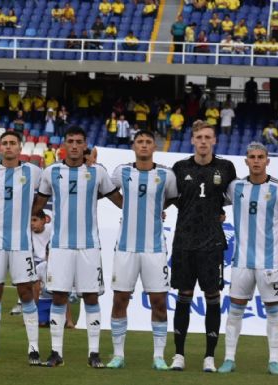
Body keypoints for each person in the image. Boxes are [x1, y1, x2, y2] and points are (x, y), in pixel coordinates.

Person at [32, 127, 122, 368]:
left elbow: (121, 201)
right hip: (60, 246)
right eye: (70, 141)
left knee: (91, 297)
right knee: (59, 296)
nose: (74, 145)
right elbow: (37, 205)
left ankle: (94, 353)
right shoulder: (51, 172)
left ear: (85, 146)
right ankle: (55, 353)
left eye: (79, 142)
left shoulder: (97, 172)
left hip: (89, 246)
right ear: (64, 144)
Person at [217, 142, 278, 375]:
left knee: (273, 310)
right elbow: (213, 203)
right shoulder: (235, 187)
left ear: (267, 160)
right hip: (241, 261)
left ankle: (273, 361)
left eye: (260, 156)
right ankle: (229, 359)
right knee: (235, 311)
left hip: (270, 263)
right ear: (246, 161)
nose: (256, 160)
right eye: (252, 157)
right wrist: (218, 214)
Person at [105, 130, 178, 370]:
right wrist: (126, 206)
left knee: (159, 301)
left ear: (154, 147)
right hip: (125, 248)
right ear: (134, 146)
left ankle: (158, 356)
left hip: (155, 249)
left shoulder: (166, 174)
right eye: (140, 142)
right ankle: (118, 355)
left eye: (148, 142)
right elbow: (106, 190)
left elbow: (172, 198)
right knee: (120, 300)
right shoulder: (121, 171)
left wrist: (156, 208)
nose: (144, 146)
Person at [170, 120, 237, 372]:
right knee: (184, 296)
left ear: (214, 140)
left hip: (212, 243)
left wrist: (218, 211)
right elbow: (171, 198)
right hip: (184, 242)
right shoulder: (180, 167)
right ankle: (179, 354)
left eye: (208, 137)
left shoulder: (226, 167)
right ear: (192, 140)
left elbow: (234, 196)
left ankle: (209, 356)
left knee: (212, 297)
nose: (203, 141)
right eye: (199, 137)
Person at [0, 131, 42, 365]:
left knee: (26, 293)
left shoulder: (33, 172)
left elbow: (45, 194)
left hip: (22, 244)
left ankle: (33, 348)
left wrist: (33, 212)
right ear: (0, 148)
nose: (8, 147)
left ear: (20, 147)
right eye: (4, 143)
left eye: (12, 143)